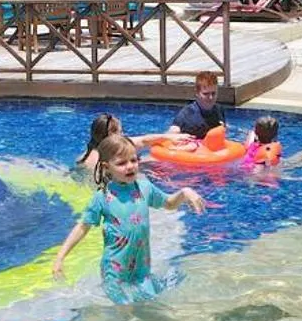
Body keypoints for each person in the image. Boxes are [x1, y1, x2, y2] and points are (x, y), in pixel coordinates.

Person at [52, 135, 204, 302]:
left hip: (142, 270)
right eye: (121, 163)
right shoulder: (103, 197)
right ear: (106, 167)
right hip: (115, 271)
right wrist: (60, 258)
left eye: (133, 160)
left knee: (152, 306)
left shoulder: (145, 188)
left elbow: (168, 204)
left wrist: (184, 192)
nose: (130, 166)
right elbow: (83, 227)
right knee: (125, 314)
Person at [165, 72, 226, 143]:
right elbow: (169, 136)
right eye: (205, 94)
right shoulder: (186, 114)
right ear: (197, 93)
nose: (210, 97)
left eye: (213, 93)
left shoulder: (219, 110)